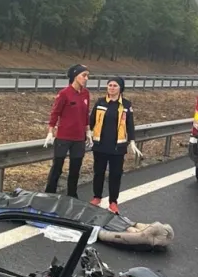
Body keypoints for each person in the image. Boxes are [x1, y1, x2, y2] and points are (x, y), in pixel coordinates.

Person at [89, 77, 143, 213]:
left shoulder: (126, 105)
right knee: (98, 172)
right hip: (100, 145)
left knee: (115, 174)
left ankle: (113, 201)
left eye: (115, 86)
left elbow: (130, 125)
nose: (111, 88)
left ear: (120, 88)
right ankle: (97, 197)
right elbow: (91, 120)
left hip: (118, 147)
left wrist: (132, 141)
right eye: (110, 85)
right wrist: (88, 133)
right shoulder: (100, 102)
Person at [44, 64, 93, 198]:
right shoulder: (64, 93)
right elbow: (55, 113)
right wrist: (50, 131)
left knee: (75, 169)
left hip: (79, 138)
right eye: (84, 75)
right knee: (57, 167)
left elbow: (86, 114)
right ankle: (49, 194)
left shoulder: (86, 94)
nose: (86, 78)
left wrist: (88, 131)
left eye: (87, 76)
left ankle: (72, 195)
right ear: (75, 76)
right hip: (64, 137)